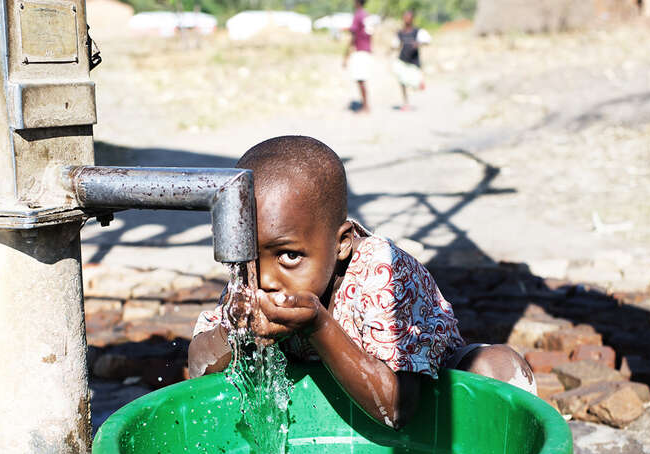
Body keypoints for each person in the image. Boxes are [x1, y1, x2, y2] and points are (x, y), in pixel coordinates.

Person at [188, 136, 535, 430]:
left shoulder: (382, 273)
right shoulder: (250, 284)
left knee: (498, 368)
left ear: (341, 243)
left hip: (429, 412)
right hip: (329, 421)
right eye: (247, 258)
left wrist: (318, 325)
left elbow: (397, 409)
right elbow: (199, 368)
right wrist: (233, 333)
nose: (265, 279)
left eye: (289, 256)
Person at [392, 11, 430, 110]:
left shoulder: (418, 31)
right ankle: (406, 103)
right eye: (405, 17)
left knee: (414, 82)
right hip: (403, 60)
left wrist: (418, 44)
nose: (407, 20)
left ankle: (419, 83)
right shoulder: (400, 33)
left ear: (412, 19)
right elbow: (395, 45)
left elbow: (427, 41)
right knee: (402, 81)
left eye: (408, 18)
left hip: (413, 61)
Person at [343, 0, 373, 113]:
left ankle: (365, 107)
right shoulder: (366, 15)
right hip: (366, 50)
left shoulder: (358, 15)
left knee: (360, 79)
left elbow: (353, 37)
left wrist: (346, 55)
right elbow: (371, 34)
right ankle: (365, 104)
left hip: (360, 50)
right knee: (362, 79)